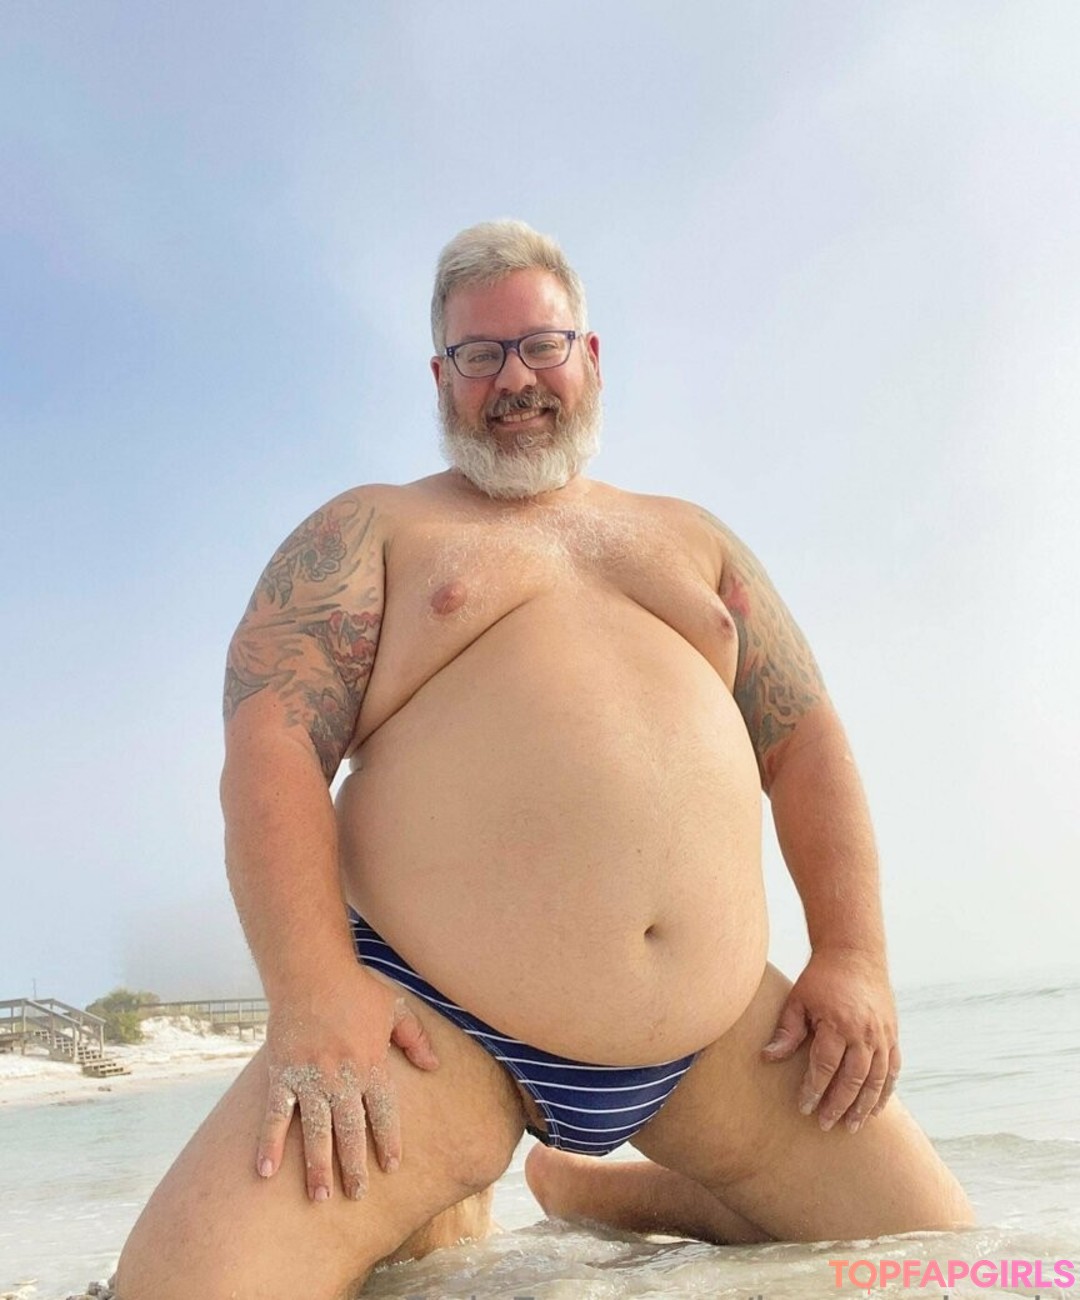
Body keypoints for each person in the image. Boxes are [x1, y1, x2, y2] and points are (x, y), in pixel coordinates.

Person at [115, 220, 972, 1299]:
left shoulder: (692, 536)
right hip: (434, 1030)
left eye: (540, 345)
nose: (514, 379)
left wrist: (852, 957)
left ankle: (655, 1198)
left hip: (721, 1043)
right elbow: (272, 745)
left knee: (956, 1265)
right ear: (442, 378)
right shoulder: (375, 527)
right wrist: (312, 990)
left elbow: (805, 738)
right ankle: (434, 1208)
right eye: (480, 354)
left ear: (590, 357)